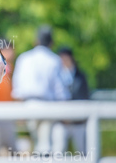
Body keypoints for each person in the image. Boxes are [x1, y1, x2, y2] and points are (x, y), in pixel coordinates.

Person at [12, 26, 71, 155]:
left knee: (37, 141)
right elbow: (60, 91)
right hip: (48, 106)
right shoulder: (55, 60)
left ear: (36, 41)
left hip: (27, 106)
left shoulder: (24, 58)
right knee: (44, 143)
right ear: (51, 43)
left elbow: (17, 88)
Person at [52, 47, 90, 155]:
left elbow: (85, 96)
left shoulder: (80, 76)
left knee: (82, 152)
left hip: (77, 120)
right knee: (58, 151)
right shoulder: (56, 75)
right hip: (61, 121)